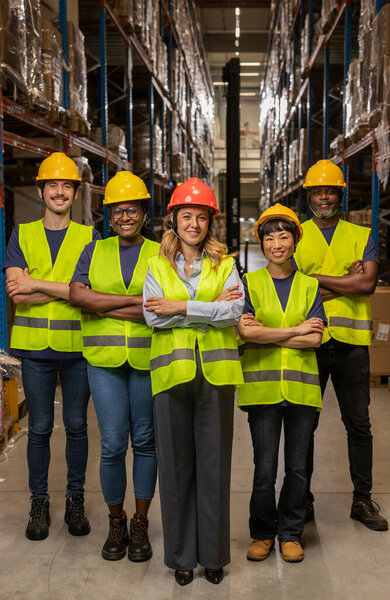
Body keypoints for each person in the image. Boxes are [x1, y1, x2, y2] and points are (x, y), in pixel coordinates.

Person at [143, 177, 244, 585]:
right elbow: (153, 316)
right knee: (175, 467)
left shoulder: (227, 263)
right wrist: (206, 308)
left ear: (210, 223)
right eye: (187, 216)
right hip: (172, 376)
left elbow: (235, 311)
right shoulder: (155, 265)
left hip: (216, 376)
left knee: (214, 467)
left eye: (201, 217)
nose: (194, 224)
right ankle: (182, 557)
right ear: (174, 219)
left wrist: (181, 306)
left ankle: (214, 556)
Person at [4, 152, 99, 540]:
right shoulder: (21, 234)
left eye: (67, 186)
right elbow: (17, 293)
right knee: (40, 428)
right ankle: (39, 503)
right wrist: (66, 290)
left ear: (75, 194)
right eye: (53, 185)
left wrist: (37, 283)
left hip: (78, 350)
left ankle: (75, 501)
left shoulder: (89, 237)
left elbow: (88, 293)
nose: (59, 192)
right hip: (35, 351)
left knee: (77, 427)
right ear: (41, 190)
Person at [69, 171, 159, 562]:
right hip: (103, 362)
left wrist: (101, 301)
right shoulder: (94, 250)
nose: (126, 216)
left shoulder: (161, 252)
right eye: (118, 210)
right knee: (111, 446)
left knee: (144, 442)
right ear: (109, 214)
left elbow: (159, 308)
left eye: (133, 209)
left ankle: (141, 522)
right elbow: (77, 296)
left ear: (143, 211)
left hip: (147, 360)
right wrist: (133, 304)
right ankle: (116, 519)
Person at [293, 159, 388, 531]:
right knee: (305, 425)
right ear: (309, 196)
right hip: (310, 342)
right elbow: (294, 291)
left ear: (340, 194)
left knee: (359, 425)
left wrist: (313, 281)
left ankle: (361, 500)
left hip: (351, 345)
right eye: (317, 191)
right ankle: (303, 497)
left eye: (330, 190)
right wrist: (341, 280)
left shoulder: (361, 234)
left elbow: (367, 286)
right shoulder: (295, 235)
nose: (324, 196)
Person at [238, 204, 325, 563]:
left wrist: (267, 334)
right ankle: (262, 533)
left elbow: (315, 340)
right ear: (261, 243)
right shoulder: (249, 284)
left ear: (295, 240)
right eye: (269, 237)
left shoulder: (309, 285)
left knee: (298, 469)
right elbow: (245, 331)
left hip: (303, 391)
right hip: (263, 391)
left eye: (284, 236)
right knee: (264, 469)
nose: (277, 243)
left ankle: (290, 534)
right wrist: (294, 330)